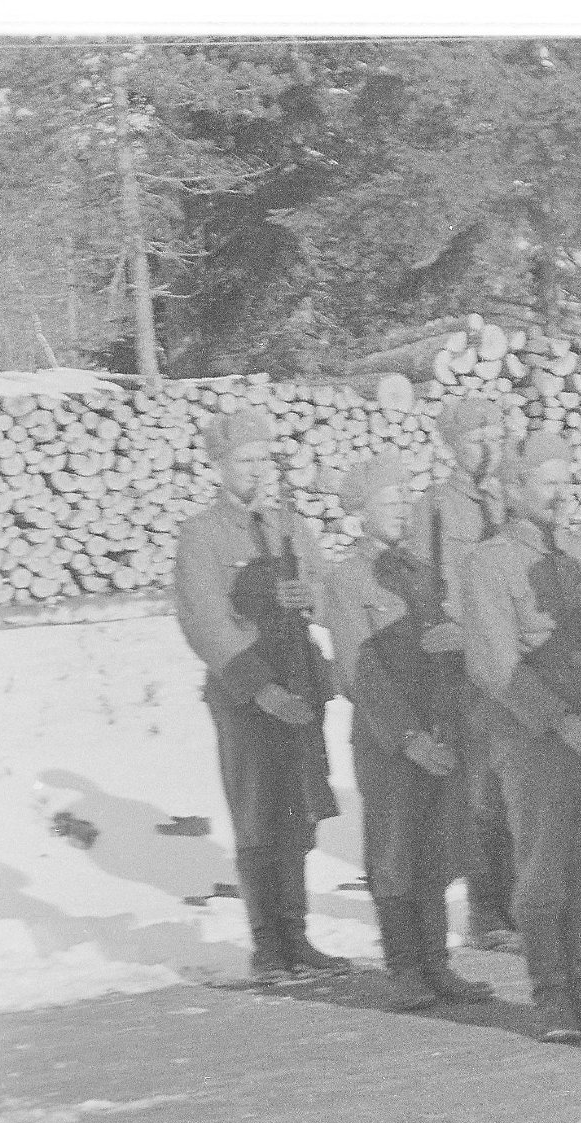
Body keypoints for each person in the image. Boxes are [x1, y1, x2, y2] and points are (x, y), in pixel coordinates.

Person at [457, 433, 581, 1043]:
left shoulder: (573, 554)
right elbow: (495, 665)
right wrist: (564, 725)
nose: (561, 494)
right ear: (514, 491)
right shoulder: (489, 563)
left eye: (567, 481)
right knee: (543, 866)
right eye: (547, 483)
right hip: (534, 738)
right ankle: (551, 997)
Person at [171, 406, 348, 982]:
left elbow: (329, 592)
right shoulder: (202, 534)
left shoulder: (289, 525)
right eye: (243, 460)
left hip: (299, 680)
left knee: (298, 813)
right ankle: (268, 947)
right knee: (258, 815)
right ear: (220, 465)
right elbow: (204, 621)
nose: (255, 470)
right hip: (244, 693)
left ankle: (298, 938)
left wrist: (309, 596)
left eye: (262, 459)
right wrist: (261, 690)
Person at [317, 451, 492, 1009]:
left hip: (440, 729)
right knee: (394, 853)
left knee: (435, 850)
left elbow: (459, 632)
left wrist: (460, 641)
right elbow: (357, 672)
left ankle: (437, 964)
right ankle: (403, 969)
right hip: (388, 740)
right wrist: (409, 739)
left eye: (403, 499)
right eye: (387, 501)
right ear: (359, 513)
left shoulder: (422, 571)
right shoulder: (346, 578)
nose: (401, 510)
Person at [426, 395, 520, 949]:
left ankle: (521, 902)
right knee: (481, 791)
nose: (487, 448)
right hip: (465, 668)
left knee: (519, 783)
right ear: (452, 446)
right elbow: (425, 588)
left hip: (513, 658)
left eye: (494, 436)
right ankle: (488, 913)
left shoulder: (512, 498)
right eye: (475, 439)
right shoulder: (437, 508)